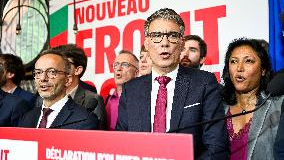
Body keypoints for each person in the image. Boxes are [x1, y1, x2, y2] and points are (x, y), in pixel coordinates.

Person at [116, 8, 229, 159]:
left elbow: (216, 147)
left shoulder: (204, 83)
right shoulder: (131, 89)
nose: (165, 43)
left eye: (172, 36)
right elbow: (121, 145)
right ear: (147, 44)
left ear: (182, 44)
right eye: (156, 36)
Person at [221, 38, 282, 160]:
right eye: (233, 61)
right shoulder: (216, 107)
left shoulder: (279, 106)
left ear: (263, 70)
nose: (239, 68)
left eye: (248, 61)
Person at [19, 49, 98, 130]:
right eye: (38, 72)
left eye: (52, 72)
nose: (43, 78)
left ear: (67, 80)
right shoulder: (27, 118)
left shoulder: (84, 119)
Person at [52, 44, 106, 129]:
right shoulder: (44, 99)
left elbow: (97, 137)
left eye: (64, 64)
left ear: (77, 70)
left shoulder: (92, 100)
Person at [105, 50, 139, 131]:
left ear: (136, 73)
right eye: (116, 65)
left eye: (125, 64)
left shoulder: (142, 100)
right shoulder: (106, 101)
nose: (118, 69)